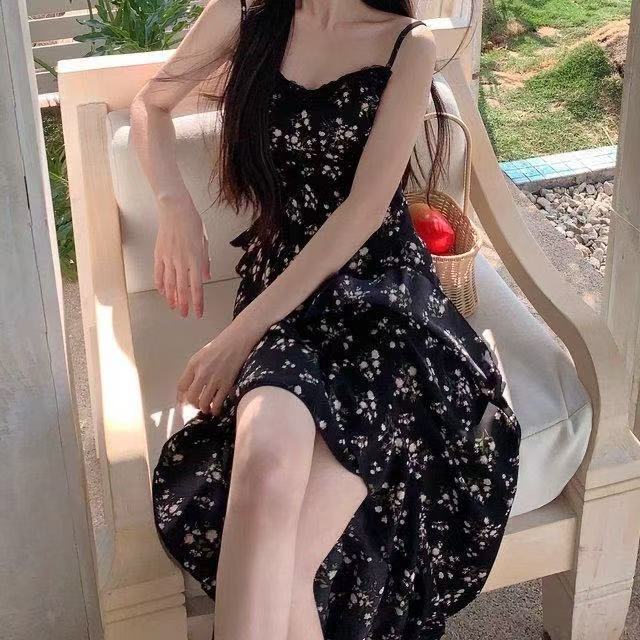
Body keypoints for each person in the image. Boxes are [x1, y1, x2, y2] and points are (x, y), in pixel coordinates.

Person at [129, 1, 522, 638]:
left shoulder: (408, 45)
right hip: (285, 302)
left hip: (385, 308)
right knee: (264, 468)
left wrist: (239, 335)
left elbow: (364, 211)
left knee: (289, 566)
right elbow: (151, 104)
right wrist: (175, 206)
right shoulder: (249, 12)